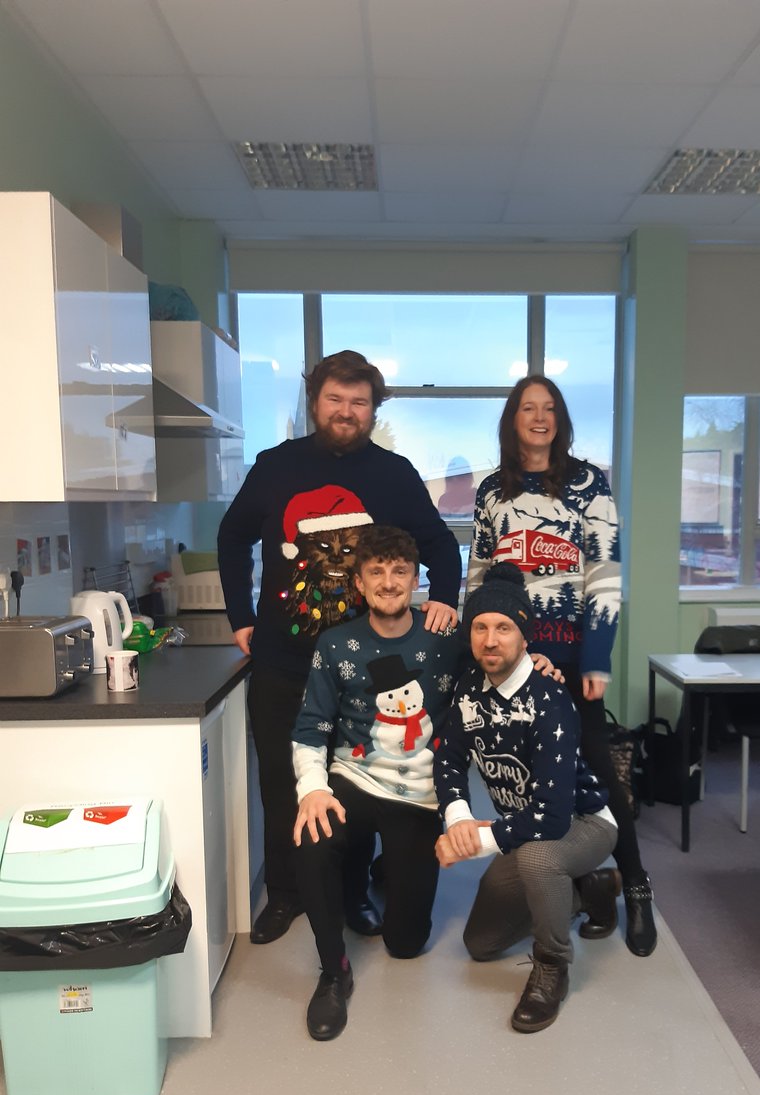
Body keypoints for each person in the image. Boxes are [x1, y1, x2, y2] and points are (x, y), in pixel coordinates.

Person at [218, 350, 461, 945]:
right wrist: (240, 616)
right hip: (283, 658)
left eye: (359, 402)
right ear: (315, 402)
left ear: (372, 409)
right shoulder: (275, 466)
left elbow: (441, 546)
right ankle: (286, 895)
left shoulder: (395, 473)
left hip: (367, 665)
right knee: (282, 781)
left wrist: (444, 601)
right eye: (335, 399)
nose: (346, 411)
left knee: (358, 781)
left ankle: (353, 895)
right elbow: (232, 536)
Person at [467, 374, 657, 956]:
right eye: (529, 407)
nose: (540, 417)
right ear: (513, 418)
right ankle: (578, 881)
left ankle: (638, 886)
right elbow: (478, 580)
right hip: (512, 660)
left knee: (595, 770)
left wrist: (597, 654)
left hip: (574, 657)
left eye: (550, 408)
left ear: (561, 419)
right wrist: (475, 652)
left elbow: (604, 575)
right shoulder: (491, 492)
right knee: (530, 777)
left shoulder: (587, 482)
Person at [434, 562, 620, 1033]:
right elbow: (449, 759)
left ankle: (552, 965)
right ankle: (587, 890)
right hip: (523, 829)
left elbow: (554, 818)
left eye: (503, 628)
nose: (490, 640)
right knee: (480, 943)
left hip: (583, 824)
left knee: (539, 858)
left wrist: (475, 843)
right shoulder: (468, 691)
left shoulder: (549, 699)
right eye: (479, 627)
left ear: (524, 637)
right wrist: (457, 820)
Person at [291, 525, 461, 1040]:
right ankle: (332, 970)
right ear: (360, 584)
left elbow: (501, 656)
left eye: (400, 571)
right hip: (355, 778)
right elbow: (310, 727)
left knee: (407, 944)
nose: (389, 582)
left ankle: (386, 870)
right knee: (313, 834)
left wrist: (539, 661)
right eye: (377, 572)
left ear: (416, 579)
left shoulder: (446, 637)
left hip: (420, 794)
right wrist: (312, 790)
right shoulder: (335, 643)